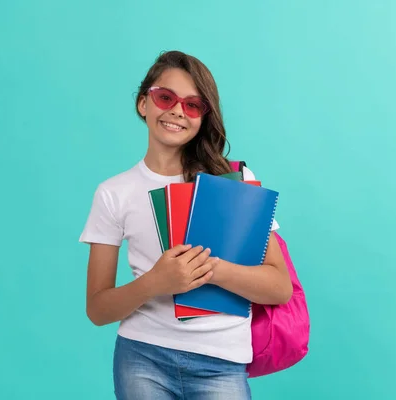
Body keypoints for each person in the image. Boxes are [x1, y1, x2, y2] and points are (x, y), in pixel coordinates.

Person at [79, 50, 293, 399]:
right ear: (143, 104)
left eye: (193, 105)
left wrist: (211, 269)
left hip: (221, 362)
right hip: (141, 358)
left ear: (202, 117)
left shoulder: (234, 181)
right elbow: (98, 309)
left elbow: (279, 287)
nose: (177, 110)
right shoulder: (113, 193)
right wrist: (155, 283)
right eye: (166, 98)